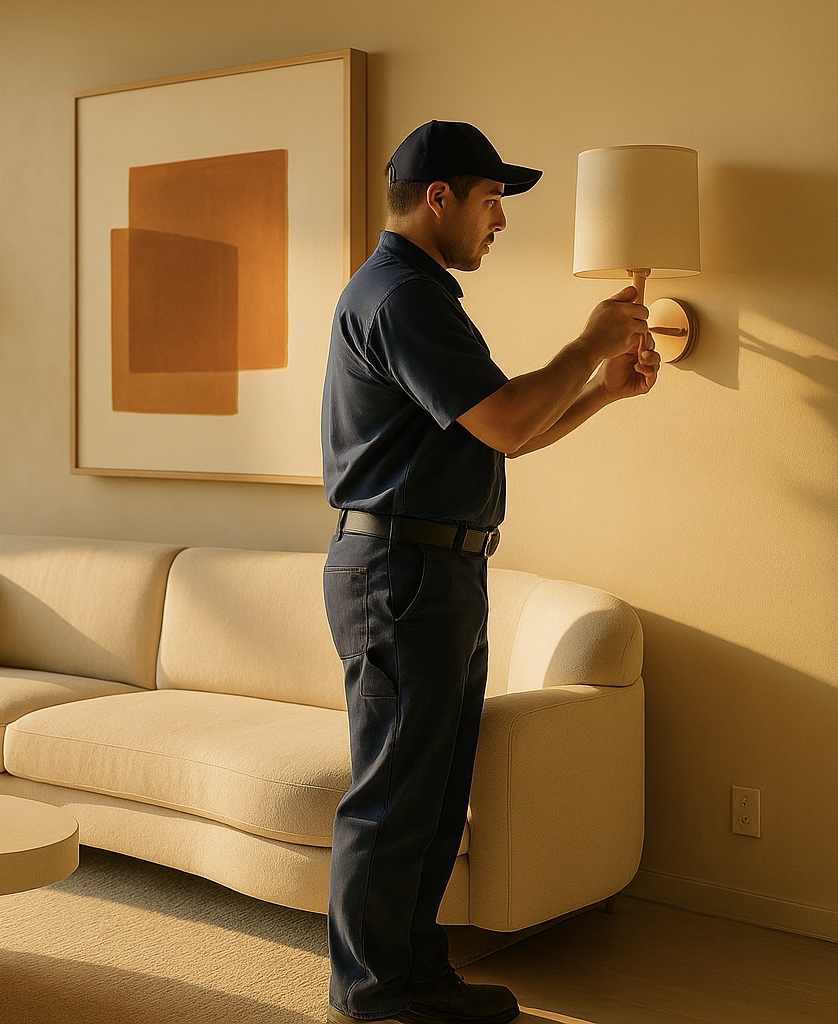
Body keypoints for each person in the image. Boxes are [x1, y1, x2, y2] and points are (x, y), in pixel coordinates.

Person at [320, 120, 659, 1024]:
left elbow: (507, 434)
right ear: (441, 198)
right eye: (493, 200)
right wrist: (587, 344)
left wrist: (603, 392)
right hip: (403, 570)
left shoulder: (418, 291)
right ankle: (370, 996)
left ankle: (414, 976)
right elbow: (508, 421)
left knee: (429, 793)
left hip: (434, 568)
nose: (499, 222)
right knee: (395, 795)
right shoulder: (400, 298)